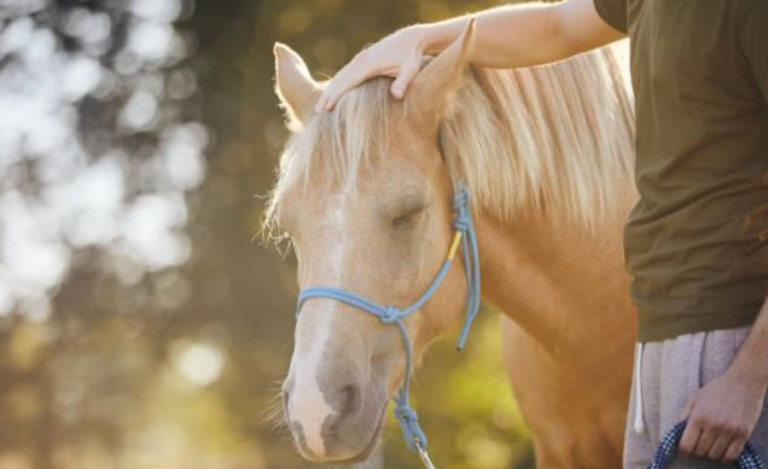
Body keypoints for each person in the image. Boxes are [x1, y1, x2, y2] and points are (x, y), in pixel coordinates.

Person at [314, 1, 768, 467]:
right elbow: (557, 26)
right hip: (662, 331)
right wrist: (420, 38)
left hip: (730, 332)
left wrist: (748, 381)